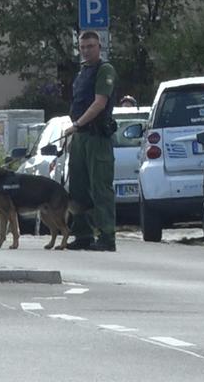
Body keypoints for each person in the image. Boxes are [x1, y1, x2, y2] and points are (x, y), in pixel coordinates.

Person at [62, 31, 117, 251]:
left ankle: (106, 236)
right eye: (83, 47)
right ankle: (82, 234)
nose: (86, 50)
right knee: (78, 189)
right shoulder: (82, 72)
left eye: (90, 46)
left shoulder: (105, 70)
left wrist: (77, 125)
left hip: (96, 136)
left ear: (99, 47)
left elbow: (99, 104)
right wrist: (75, 130)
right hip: (81, 138)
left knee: (100, 188)